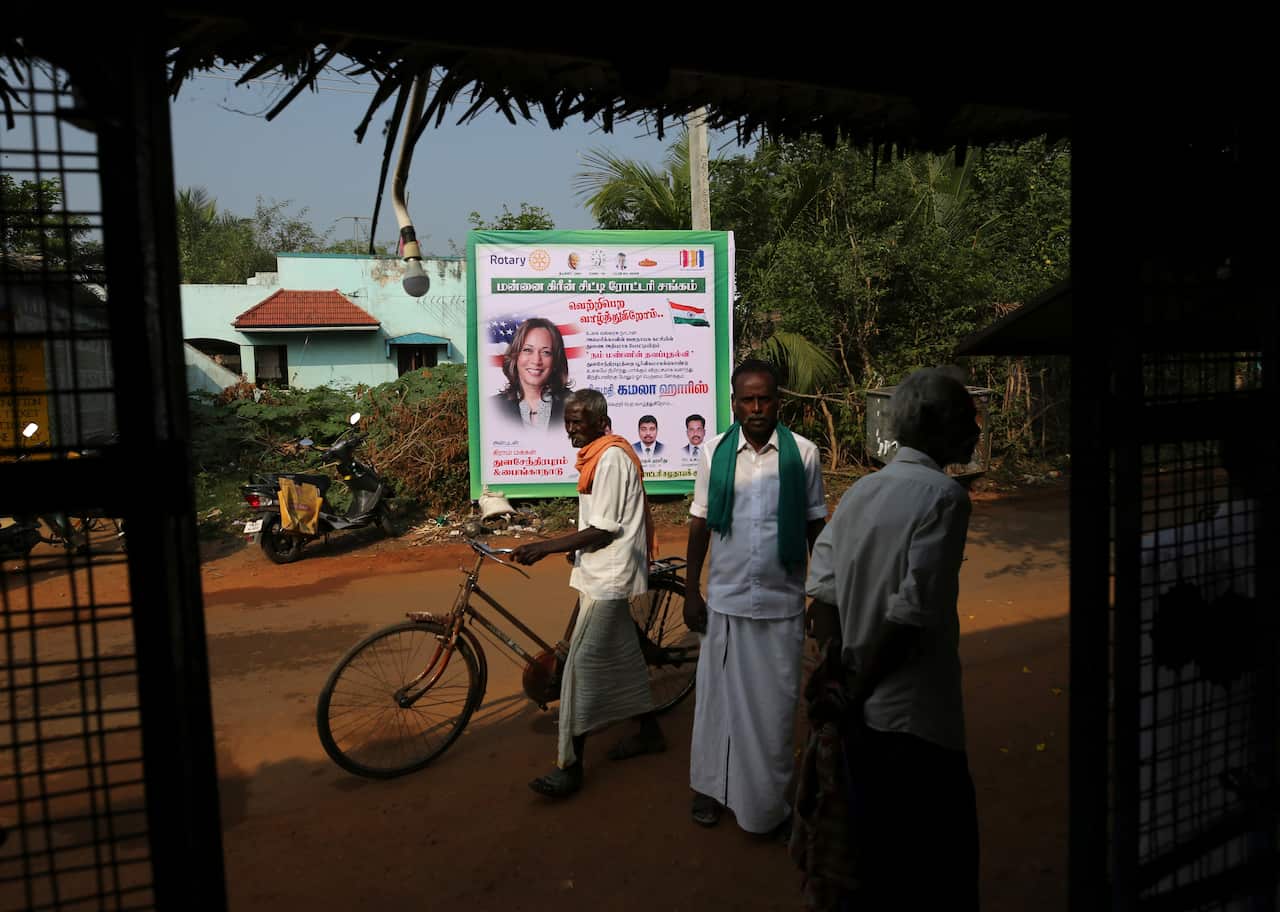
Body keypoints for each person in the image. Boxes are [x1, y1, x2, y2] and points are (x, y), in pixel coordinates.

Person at [803, 366, 981, 910]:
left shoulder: (861, 493)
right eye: (966, 419)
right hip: (915, 720)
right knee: (935, 869)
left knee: (874, 859)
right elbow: (911, 616)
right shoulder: (945, 498)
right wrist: (857, 691)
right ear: (933, 423)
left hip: (862, 721)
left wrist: (837, 675)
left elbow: (823, 598)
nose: (975, 431)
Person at [685, 359, 827, 835]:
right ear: (733, 402)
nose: (756, 407)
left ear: (778, 401)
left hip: (782, 604)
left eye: (764, 398)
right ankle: (710, 788)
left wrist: (823, 595)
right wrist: (690, 590)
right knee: (717, 703)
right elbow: (700, 522)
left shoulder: (803, 454)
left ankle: (766, 806)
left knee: (775, 708)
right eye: (747, 399)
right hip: (725, 602)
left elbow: (813, 525)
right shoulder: (715, 453)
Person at [511, 389, 665, 798]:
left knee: (576, 671)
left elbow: (605, 528)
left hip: (609, 579)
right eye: (567, 422)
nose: (571, 430)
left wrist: (547, 546)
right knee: (628, 661)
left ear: (600, 420)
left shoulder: (611, 458)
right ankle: (650, 731)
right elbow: (595, 524)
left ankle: (570, 766)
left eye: (578, 422)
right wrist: (574, 549)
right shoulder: (597, 455)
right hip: (597, 572)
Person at [491, 317, 572, 433]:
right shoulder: (492, 407)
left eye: (546, 352)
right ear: (516, 356)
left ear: (555, 361)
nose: (536, 360)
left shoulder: (577, 405)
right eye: (528, 350)